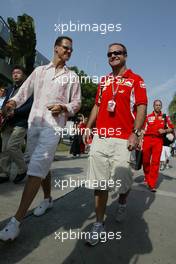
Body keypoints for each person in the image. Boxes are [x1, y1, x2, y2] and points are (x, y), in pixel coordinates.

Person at [0, 36, 81, 241]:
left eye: (71, 50)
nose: (69, 52)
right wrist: (11, 103)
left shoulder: (72, 77)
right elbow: (23, 93)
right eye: (66, 48)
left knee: (36, 167)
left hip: (53, 127)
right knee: (39, 166)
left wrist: (63, 107)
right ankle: (47, 198)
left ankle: (16, 221)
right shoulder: (39, 72)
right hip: (34, 124)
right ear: (55, 48)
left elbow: (77, 103)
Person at [84, 43, 148, 246]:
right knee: (100, 183)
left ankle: (122, 200)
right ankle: (99, 224)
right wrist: (88, 126)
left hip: (123, 138)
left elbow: (141, 107)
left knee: (122, 182)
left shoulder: (136, 80)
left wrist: (135, 133)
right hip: (101, 137)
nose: (113, 56)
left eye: (117, 53)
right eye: (110, 54)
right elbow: (98, 104)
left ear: (125, 56)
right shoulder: (103, 81)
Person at [0, 66, 33, 184]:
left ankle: (23, 169)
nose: (15, 75)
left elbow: (30, 106)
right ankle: (4, 173)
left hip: (21, 122)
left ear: (24, 75)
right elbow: (5, 103)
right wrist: (3, 110)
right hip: (8, 122)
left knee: (12, 146)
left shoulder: (29, 89)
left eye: (18, 73)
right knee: (4, 149)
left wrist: (16, 112)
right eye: (13, 73)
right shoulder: (9, 89)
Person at [142, 100, 174, 191]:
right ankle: (147, 177)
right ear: (153, 106)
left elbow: (172, 128)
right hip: (147, 140)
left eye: (159, 105)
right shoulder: (148, 117)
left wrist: (164, 131)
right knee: (145, 161)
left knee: (155, 162)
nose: (158, 106)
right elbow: (143, 130)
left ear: (161, 106)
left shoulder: (165, 117)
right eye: (156, 105)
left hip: (158, 140)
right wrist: (140, 140)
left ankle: (152, 184)